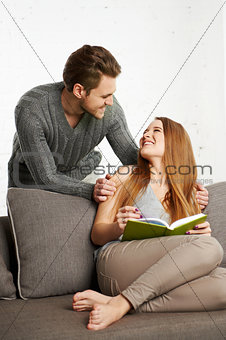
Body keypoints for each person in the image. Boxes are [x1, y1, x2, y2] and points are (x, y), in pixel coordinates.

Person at [72, 117, 226, 331]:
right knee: (212, 248)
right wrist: (118, 227)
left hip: (154, 278)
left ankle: (119, 302)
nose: (146, 134)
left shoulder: (187, 194)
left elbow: (187, 255)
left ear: (175, 141)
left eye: (156, 130)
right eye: (145, 130)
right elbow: (97, 235)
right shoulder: (125, 176)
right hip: (117, 263)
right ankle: (122, 302)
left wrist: (200, 236)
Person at [8, 45, 208, 205]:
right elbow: (46, 177)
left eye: (112, 94)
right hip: (31, 182)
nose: (111, 102)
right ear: (79, 91)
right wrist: (91, 190)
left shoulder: (110, 111)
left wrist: (183, 185)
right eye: (104, 95)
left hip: (82, 174)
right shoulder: (31, 110)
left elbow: (132, 157)